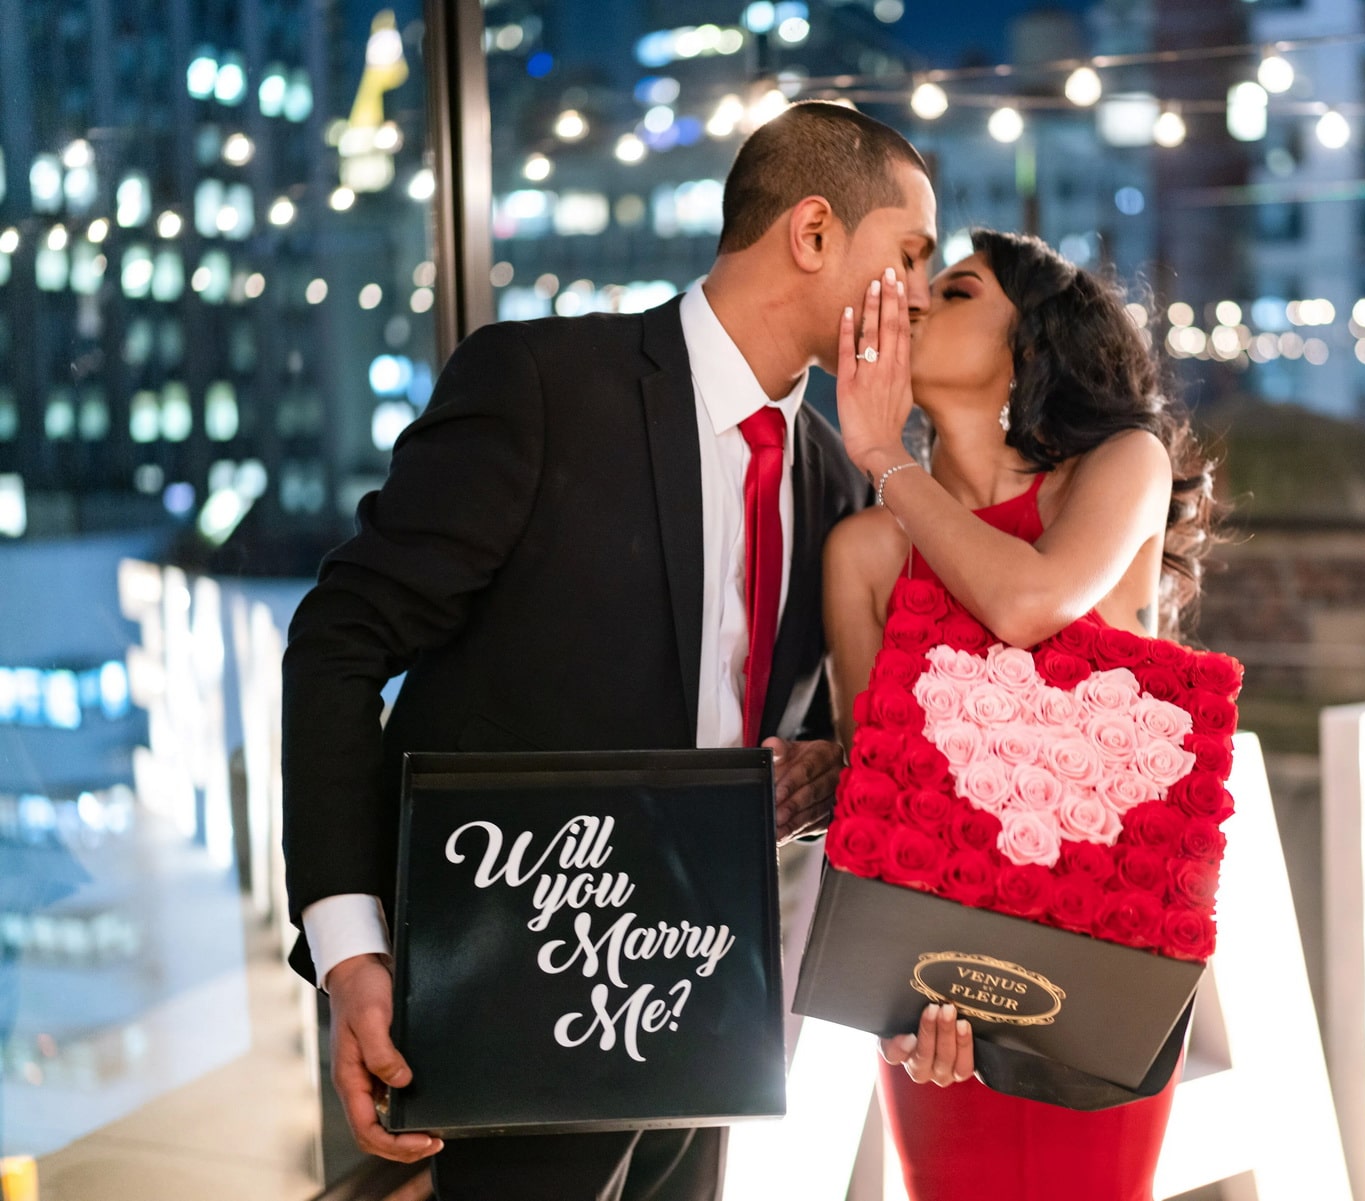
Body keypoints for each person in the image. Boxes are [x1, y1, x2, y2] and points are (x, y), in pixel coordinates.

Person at [280, 101, 938, 1201]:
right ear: (814, 232)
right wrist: (356, 951)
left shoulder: (835, 474)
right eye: (910, 254)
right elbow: (338, 644)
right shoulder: (540, 386)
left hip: (702, 1025)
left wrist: (820, 768)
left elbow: (807, 725)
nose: (918, 292)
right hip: (501, 1006)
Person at [822, 229, 1220, 1200]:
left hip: (1098, 949)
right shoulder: (865, 549)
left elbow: (1029, 602)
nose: (914, 306)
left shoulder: (1117, 466)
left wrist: (878, 451)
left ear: (1032, 345)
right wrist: (895, 997)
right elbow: (868, 791)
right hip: (936, 985)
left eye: (954, 292)